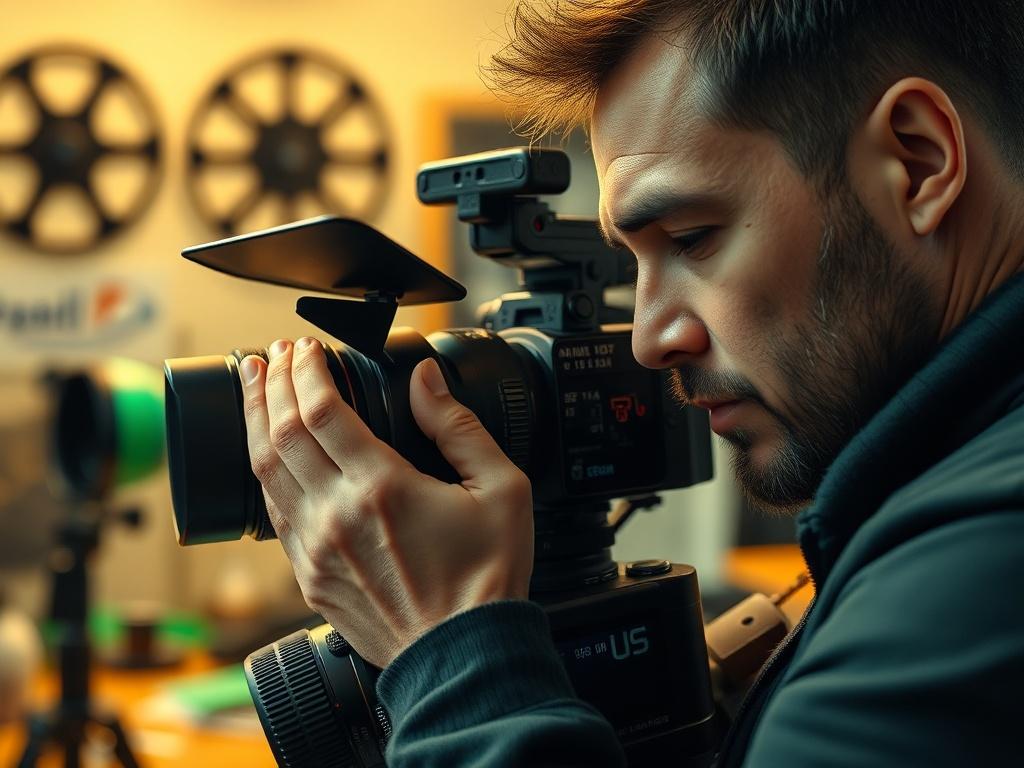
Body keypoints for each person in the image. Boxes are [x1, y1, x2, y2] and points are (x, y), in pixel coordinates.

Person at [236, 1, 1024, 765]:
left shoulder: (973, 573)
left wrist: (450, 655)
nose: (649, 340)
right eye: (632, 260)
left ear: (918, 162)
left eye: (691, 237)